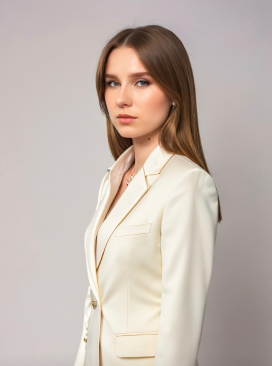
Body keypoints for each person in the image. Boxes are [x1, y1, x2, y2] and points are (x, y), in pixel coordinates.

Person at [74, 24, 222, 366]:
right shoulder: (113, 179)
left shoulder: (187, 183)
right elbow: (96, 299)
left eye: (142, 81)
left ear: (174, 92)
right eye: (113, 82)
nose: (122, 98)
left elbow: (181, 318)